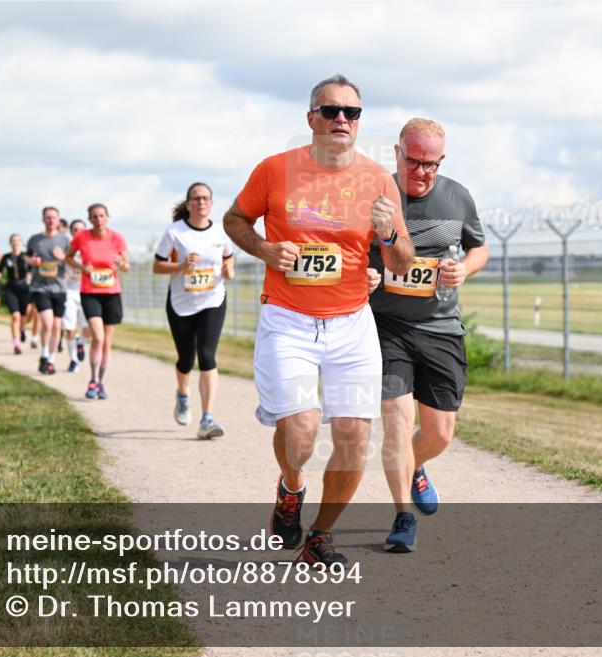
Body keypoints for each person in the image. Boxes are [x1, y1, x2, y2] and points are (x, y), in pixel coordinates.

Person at [223, 74, 414, 566]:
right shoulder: (274, 170)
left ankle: (320, 536)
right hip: (288, 319)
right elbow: (235, 220)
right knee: (302, 429)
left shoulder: (378, 179)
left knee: (355, 436)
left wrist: (390, 233)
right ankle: (292, 487)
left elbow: (401, 265)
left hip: (351, 322)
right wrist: (264, 248)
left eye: (351, 113)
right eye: (330, 111)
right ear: (311, 119)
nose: (341, 121)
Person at [368, 118, 489, 552]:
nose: (422, 172)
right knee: (398, 421)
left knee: (439, 433)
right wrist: (365, 273)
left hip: (440, 326)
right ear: (398, 154)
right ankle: (403, 517)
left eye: (431, 165)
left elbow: (479, 247)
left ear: (442, 161)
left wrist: (464, 269)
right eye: (414, 162)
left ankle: (415, 467)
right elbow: (350, 247)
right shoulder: (375, 193)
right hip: (387, 326)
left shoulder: (457, 197)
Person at [154, 182, 235, 439]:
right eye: (196, 199)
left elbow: (228, 256)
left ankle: (207, 418)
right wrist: (180, 266)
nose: (201, 203)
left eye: (205, 198)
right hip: (181, 303)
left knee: (207, 355)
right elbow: (157, 266)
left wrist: (228, 269)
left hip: (212, 300)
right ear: (188, 204)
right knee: (186, 359)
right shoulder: (175, 232)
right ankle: (182, 394)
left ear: (211, 203)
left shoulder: (220, 233)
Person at [65, 203, 129, 400]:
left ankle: (100, 382)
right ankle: (92, 379)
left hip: (112, 293)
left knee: (107, 341)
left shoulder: (117, 238)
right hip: (90, 292)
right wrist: (81, 267)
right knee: (98, 337)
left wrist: (121, 263)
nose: (98, 219)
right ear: (90, 219)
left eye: (102, 216)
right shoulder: (81, 237)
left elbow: (126, 267)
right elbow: (68, 258)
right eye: (94, 216)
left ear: (107, 217)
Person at [26, 206, 69, 374]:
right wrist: (32, 261)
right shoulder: (35, 240)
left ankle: (50, 359)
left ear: (58, 220)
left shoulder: (65, 240)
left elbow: (73, 262)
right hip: (40, 287)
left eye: (54, 217)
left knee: (57, 327)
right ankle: (43, 353)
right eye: (48, 217)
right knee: (47, 322)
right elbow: (27, 257)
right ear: (43, 220)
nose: (51, 220)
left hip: (59, 288)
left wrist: (63, 258)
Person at [62, 219, 91, 373]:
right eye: (75, 229)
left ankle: (81, 341)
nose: (78, 232)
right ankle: (73, 360)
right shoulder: (66, 250)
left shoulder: (90, 248)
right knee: (70, 327)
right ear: (71, 232)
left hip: (87, 291)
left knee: (90, 329)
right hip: (69, 291)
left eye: (81, 229)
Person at [0, 234, 31, 354]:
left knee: (25, 314)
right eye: (13, 240)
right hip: (11, 287)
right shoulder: (6, 257)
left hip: (24, 288)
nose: (15, 243)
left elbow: (32, 270)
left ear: (21, 243)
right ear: (10, 243)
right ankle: (16, 344)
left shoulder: (25, 257)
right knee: (15, 316)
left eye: (17, 240)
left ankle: (22, 329)